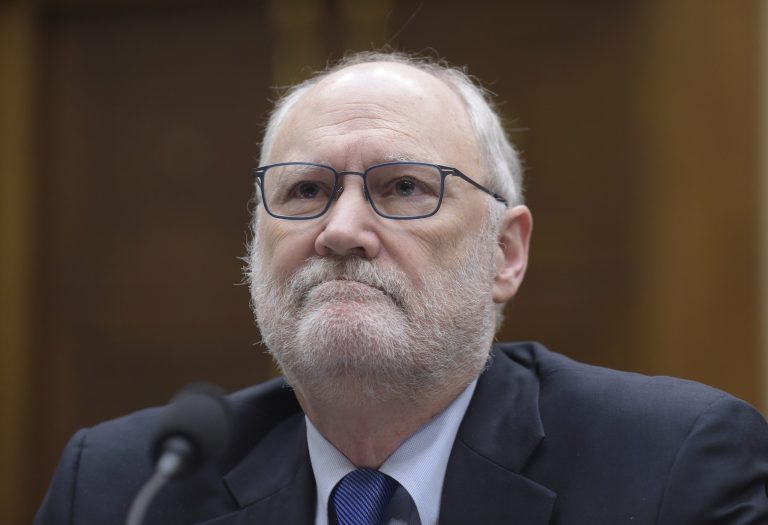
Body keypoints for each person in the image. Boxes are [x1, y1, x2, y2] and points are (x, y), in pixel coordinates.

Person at [35, 51, 768, 525]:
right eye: (306, 190)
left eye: (405, 186)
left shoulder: (671, 468)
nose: (341, 229)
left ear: (505, 254)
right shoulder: (125, 487)